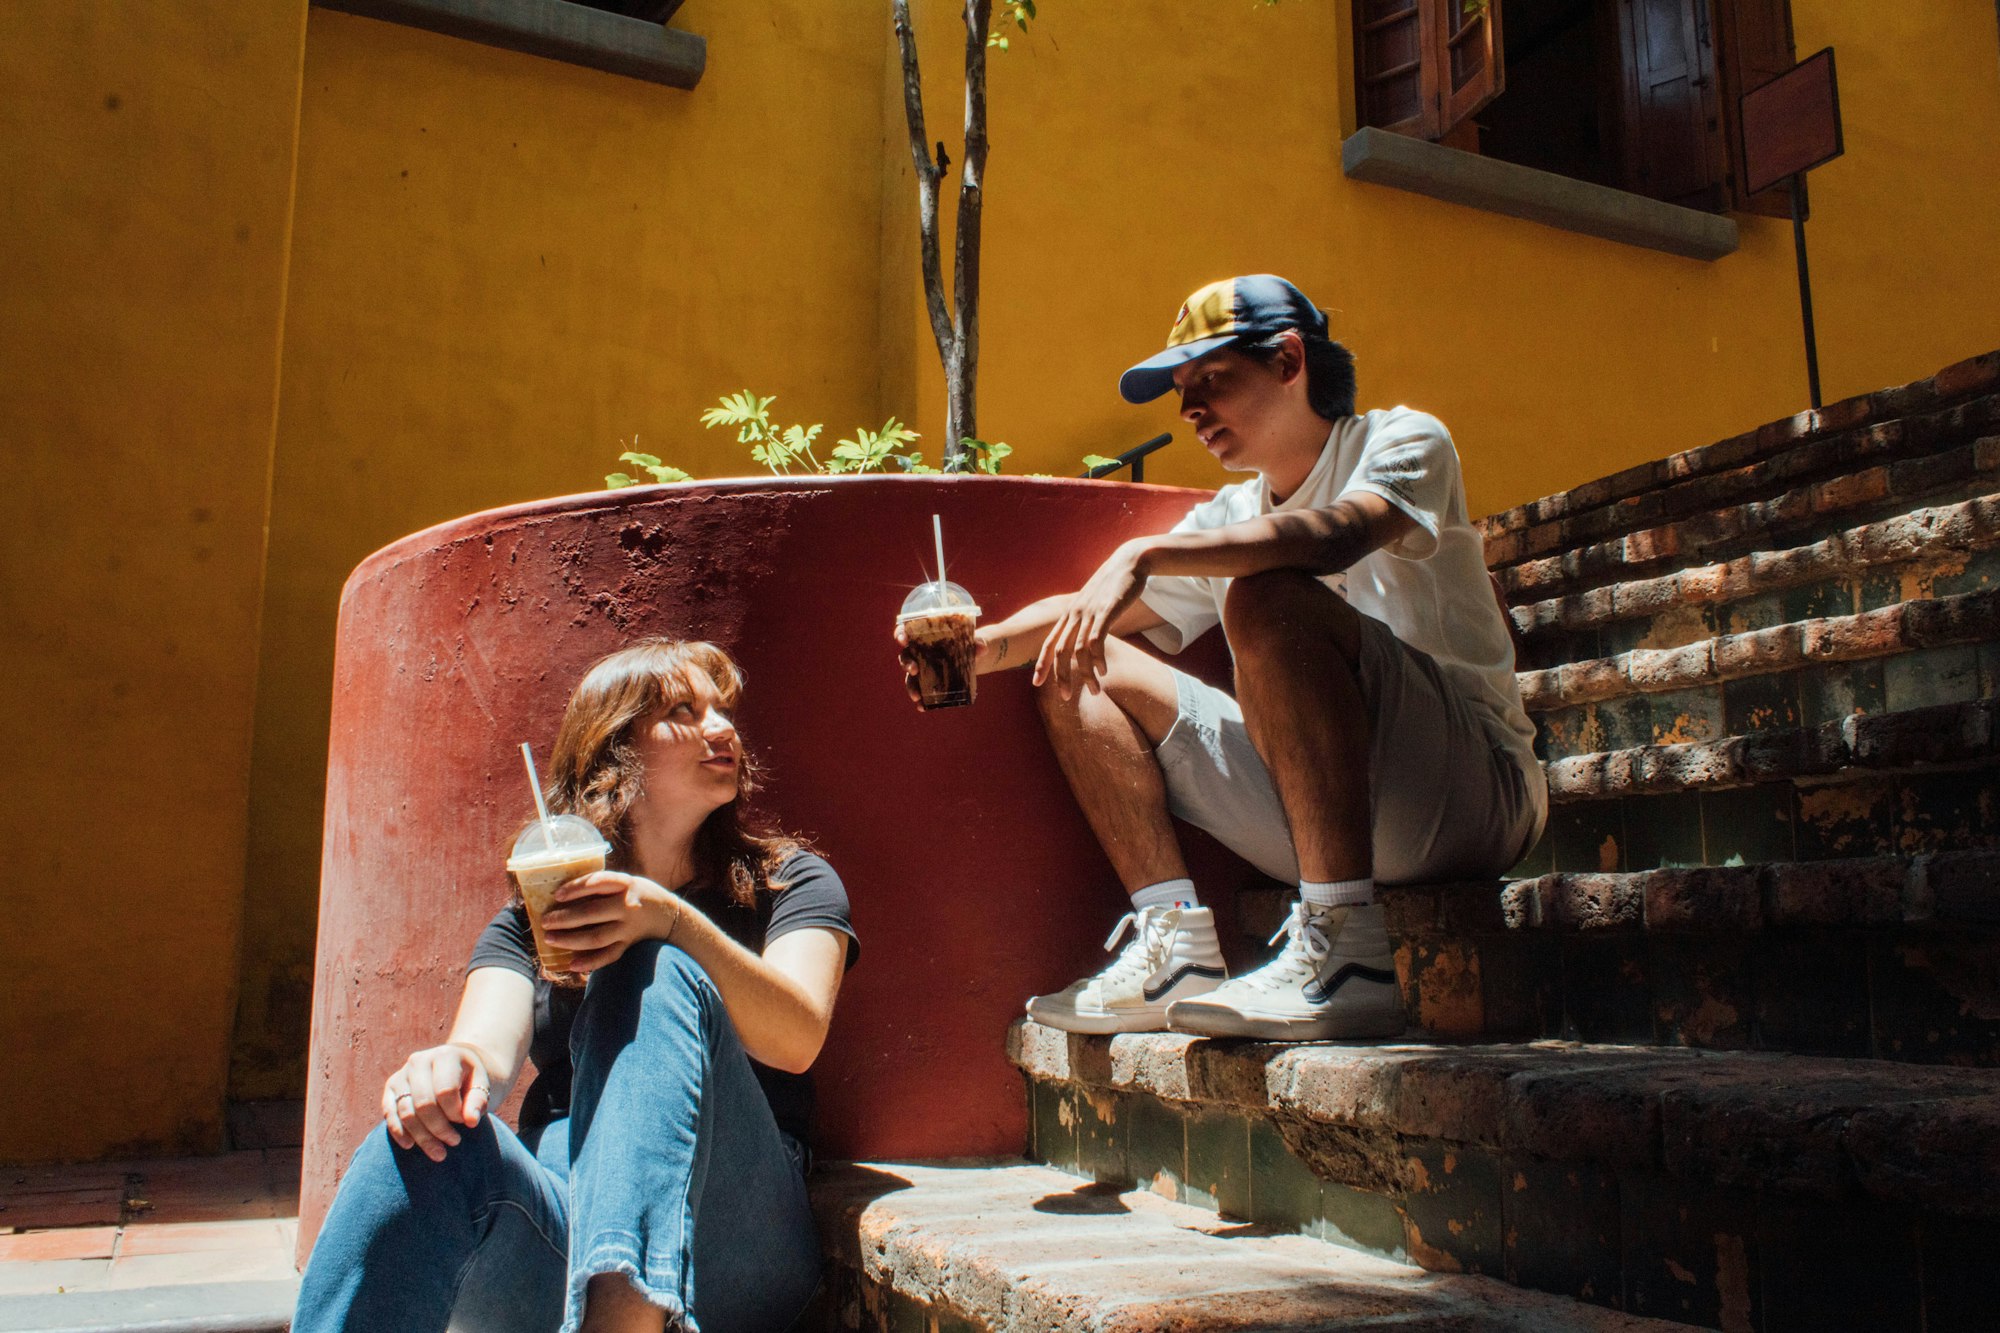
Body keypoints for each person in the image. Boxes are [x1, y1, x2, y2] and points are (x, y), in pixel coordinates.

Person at [902, 274, 1542, 1041]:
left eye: (1210, 379)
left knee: (1268, 597)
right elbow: (1086, 612)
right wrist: (983, 648)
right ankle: (1173, 946)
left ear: (1289, 360)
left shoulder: (1401, 440)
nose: (1189, 409)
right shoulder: (1233, 513)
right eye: (1182, 391)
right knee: (1075, 661)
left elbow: (1336, 535)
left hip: (1471, 797)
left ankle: (1346, 957)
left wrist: (1146, 552)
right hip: (1322, 815)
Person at [295, 639, 858, 1333]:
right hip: (564, 1217)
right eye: (684, 711)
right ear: (614, 750)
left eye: (723, 710)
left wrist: (667, 920)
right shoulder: (533, 919)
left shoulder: (788, 880)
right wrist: (443, 1074)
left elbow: (798, 1036)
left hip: (738, 1230)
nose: (722, 727)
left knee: (649, 969)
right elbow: (483, 1054)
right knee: (422, 1138)